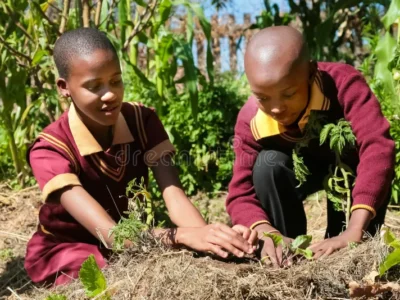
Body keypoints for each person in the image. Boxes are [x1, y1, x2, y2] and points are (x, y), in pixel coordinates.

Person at [25, 28, 257, 286]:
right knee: (111, 271)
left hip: (134, 240)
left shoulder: (142, 120)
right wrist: (180, 236)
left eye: (116, 80)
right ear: (64, 87)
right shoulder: (51, 150)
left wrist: (210, 238)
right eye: (93, 86)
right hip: (71, 248)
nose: (110, 94)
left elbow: (174, 196)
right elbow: (113, 235)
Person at [226, 26, 395, 267]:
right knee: (267, 166)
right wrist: (265, 232)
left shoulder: (342, 85)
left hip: (347, 174)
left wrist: (354, 230)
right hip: (298, 172)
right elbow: (239, 193)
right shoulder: (250, 120)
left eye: (288, 94)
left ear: (311, 72)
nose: (276, 108)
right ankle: (286, 252)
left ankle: (351, 237)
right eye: (262, 97)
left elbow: (378, 148)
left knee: (348, 259)